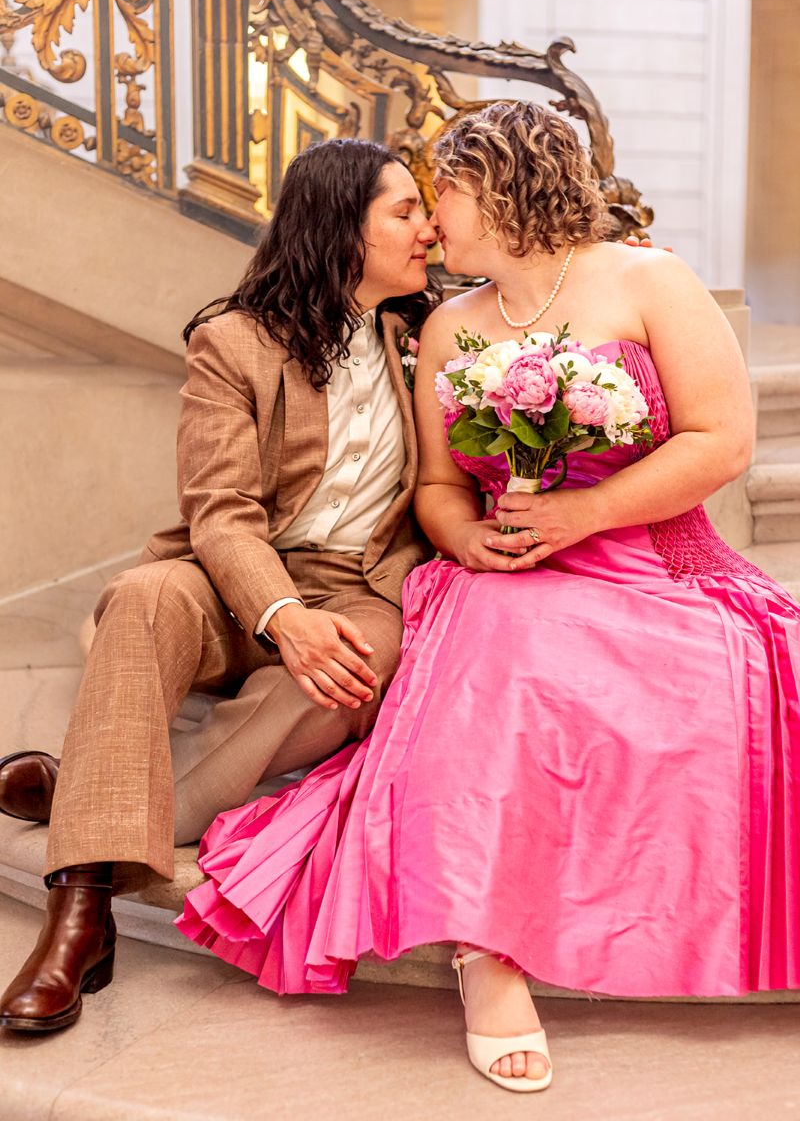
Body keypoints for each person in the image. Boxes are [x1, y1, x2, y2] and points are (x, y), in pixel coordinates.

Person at [173, 102, 800, 1092]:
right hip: (506, 567)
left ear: (498, 185)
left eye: (444, 193)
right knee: (499, 661)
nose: (432, 219)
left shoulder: (647, 279)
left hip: (652, 557)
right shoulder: (449, 325)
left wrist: (581, 516)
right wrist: (466, 535)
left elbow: (720, 442)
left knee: (703, 697)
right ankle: (485, 949)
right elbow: (435, 484)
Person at [0, 138, 440, 1032]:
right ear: (341, 229)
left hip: (363, 581)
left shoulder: (431, 338)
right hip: (236, 572)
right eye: (404, 212)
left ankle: (81, 792)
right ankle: (79, 917)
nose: (427, 228)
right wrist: (282, 616)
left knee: (359, 664)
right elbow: (221, 513)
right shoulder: (232, 343)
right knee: (142, 597)